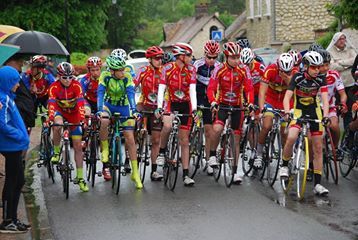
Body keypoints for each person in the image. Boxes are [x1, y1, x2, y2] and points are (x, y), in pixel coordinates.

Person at [280, 51, 330, 196]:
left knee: (318, 147)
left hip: (314, 111)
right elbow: (287, 97)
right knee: (291, 137)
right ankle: (284, 166)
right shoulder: (297, 77)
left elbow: (325, 100)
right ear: (306, 66)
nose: (317, 70)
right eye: (313, 67)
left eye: (318, 67)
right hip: (298, 110)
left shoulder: (321, 78)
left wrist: (326, 116)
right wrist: (287, 112)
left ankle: (318, 184)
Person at [207, 42, 254, 184]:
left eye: (238, 57)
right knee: (217, 128)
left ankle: (234, 171)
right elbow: (211, 88)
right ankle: (212, 155)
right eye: (233, 57)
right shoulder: (219, 69)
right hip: (222, 104)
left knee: (236, 137)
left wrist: (250, 102)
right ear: (227, 57)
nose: (236, 60)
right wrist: (213, 101)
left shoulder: (244, 69)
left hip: (237, 105)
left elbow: (249, 89)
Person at [155, 42, 198, 186]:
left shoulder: (191, 69)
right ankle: (161, 152)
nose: (191, 58)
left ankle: (186, 174)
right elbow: (161, 89)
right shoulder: (167, 68)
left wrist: (194, 109)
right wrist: (159, 107)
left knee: (184, 140)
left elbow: (192, 90)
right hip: (171, 101)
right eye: (189, 55)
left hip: (186, 103)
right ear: (180, 56)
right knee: (167, 125)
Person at [97, 55, 143, 189]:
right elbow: (100, 93)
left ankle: (135, 173)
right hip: (108, 105)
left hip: (124, 107)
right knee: (104, 121)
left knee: (130, 138)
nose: (123, 72)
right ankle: (105, 149)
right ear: (112, 71)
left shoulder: (127, 77)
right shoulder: (105, 76)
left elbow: (130, 94)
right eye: (120, 70)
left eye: (123, 69)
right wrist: (99, 110)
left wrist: (134, 110)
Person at [48, 62, 89, 192]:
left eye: (70, 77)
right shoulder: (53, 87)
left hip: (74, 114)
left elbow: (81, 104)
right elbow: (52, 105)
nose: (67, 80)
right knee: (57, 125)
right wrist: (50, 119)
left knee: (77, 146)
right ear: (59, 76)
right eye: (64, 77)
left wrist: (82, 119)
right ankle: (55, 151)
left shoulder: (77, 86)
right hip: (61, 112)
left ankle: (81, 177)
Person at [0, 66, 30, 233]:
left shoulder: (7, 96)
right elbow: (2, 125)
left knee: (18, 181)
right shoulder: (2, 99)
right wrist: (20, 135)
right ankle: (7, 221)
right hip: (11, 145)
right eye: (15, 81)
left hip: (14, 145)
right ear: (7, 82)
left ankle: (13, 219)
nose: (18, 85)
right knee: (14, 181)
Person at [255, 53, 295, 168]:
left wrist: (288, 79)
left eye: (288, 71)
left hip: (285, 103)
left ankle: (285, 158)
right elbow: (262, 92)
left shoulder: (295, 73)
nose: (285, 73)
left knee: (285, 132)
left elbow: (295, 92)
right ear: (278, 67)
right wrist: (262, 109)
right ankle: (258, 155)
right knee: (267, 125)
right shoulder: (270, 70)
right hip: (271, 101)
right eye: (283, 71)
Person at [134, 46, 164, 181]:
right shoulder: (143, 71)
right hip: (144, 105)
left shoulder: (164, 71)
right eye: (157, 58)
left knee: (156, 140)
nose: (159, 61)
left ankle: (154, 170)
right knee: (135, 126)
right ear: (150, 59)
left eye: (161, 58)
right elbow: (134, 85)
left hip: (157, 108)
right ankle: (133, 152)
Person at [79, 56, 111, 180]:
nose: (95, 72)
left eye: (97, 69)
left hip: (102, 103)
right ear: (88, 70)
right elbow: (80, 96)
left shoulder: (105, 78)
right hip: (89, 102)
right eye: (92, 70)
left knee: (104, 131)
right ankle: (85, 138)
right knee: (86, 113)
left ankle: (106, 167)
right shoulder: (85, 80)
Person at [193, 40, 221, 175]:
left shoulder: (219, 67)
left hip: (211, 101)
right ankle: (193, 139)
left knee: (209, 132)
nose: (211, 60)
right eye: (209, 57)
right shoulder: (197, 65)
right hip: (198, 99)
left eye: (214, 57)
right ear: (204, 54)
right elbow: (191, 84)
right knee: (193, 124)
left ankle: (209, 158)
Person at [327, 32, 358, 128]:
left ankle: (348, 133)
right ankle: (333, 129)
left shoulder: (350, 50)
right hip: (336, 86)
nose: (342, 41)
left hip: (350, 84)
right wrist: (348, 66)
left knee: (348, 109)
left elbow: (355, 61)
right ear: (335, 40)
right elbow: (331, 67)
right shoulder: (330, 51)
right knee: (336, 108)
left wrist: (340, 63)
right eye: (340, 39)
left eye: (344, 38)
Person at [318, 49, 348, 147]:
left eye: (327, 65)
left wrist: (343, 103)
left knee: (334, 126)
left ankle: (335, 147)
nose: (325, 68)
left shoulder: (334, 75)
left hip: (330, 106)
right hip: (315, 108)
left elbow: (342, 94)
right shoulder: (312, 76)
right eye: (322, 65)